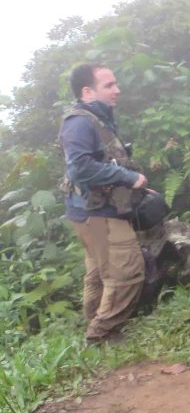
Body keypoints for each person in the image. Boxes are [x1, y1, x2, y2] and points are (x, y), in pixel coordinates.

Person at [58, 63, 148, 343]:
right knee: (126, 271)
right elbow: (80, 169)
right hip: (98, 212)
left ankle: (95, 321)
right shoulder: (80, 122)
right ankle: (102, 333)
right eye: (108, 85)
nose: (117, 90)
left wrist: (137, 186)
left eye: (115, 84)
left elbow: (104, 160)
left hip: (92, 210)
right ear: (87, 91)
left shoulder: (97, 118)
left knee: (99, 271)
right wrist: (127, 176)